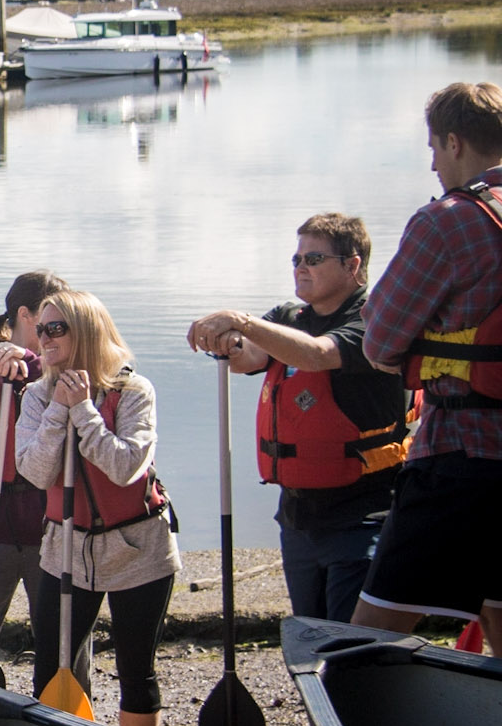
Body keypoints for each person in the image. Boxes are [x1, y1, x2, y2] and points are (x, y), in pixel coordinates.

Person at [188, 214, 410, 623]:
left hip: (361, 518)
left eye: (313, 258)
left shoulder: (374, 320)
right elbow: (250, 357)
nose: (300, 267)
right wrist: (230, 341)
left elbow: (317, 354)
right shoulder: (290, 317)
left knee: (350, 649)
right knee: (309, 637)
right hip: (298, 517)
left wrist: (242, 321)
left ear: (352, 265)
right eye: (295, 258)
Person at [352, 82, 502, 648]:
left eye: (435, 149)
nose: (433, 164)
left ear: (456, 142)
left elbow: (380, 342)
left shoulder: (447, 221)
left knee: (369, 639)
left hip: (461, 458)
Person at [16, 290, 179, 726]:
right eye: (40, 329)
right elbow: (34, 471)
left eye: (56, 329)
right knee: (52, 665)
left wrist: (85, 411)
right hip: (64, 547)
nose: (44, 339)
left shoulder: (133, 390)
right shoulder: (36, 396)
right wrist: (57, 412)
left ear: (85, 332)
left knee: (135, 669)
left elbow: (126, 468)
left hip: (138, 547)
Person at [0, 270, 84, 680]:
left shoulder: (70, 372)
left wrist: (29, 363)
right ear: (26, 315)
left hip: (52, 523)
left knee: (66, 645)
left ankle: (68, 721)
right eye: (51, 317)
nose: (56, 329)